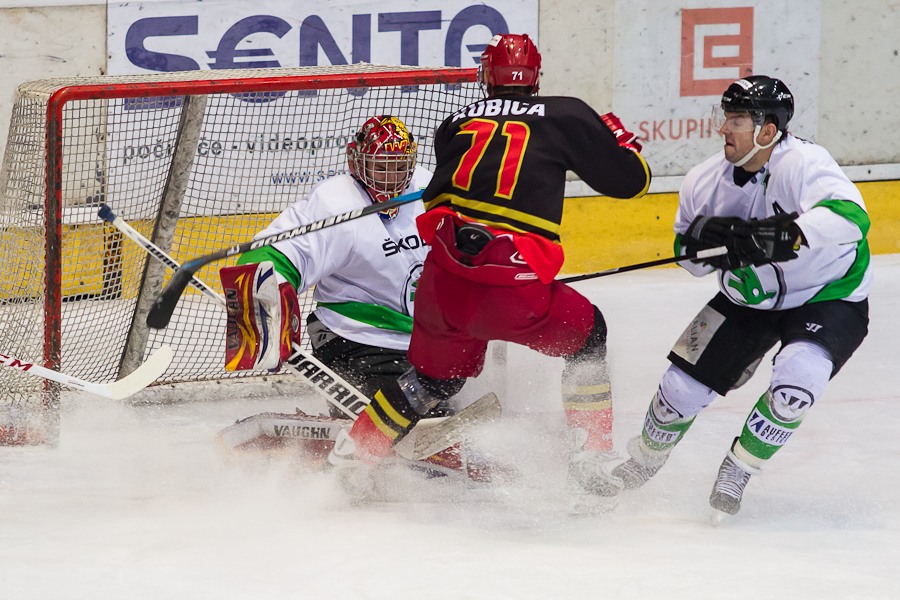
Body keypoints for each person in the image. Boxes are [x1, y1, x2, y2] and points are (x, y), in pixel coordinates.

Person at [329, 33, 652, 503]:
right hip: (513, 289)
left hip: (443, 285)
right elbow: (631, 183)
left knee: (434, 379)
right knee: (589, 335)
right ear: (535, 77)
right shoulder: (567, 113)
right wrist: (619, 138)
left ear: (486, 76)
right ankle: (589, 458)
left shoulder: (454, 123)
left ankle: (354, 457)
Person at [610, 75, 871, 518]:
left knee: (799, 378)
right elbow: (688, 258)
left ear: (768, 130)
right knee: (679, 389)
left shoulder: (805, 163)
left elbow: (852, 218)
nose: (723, 128)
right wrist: (704, 246)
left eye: (736, 120)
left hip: (828, 293)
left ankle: (741, 466)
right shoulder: (703, 180)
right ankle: (645, 459)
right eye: (725, 117)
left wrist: (785, 235)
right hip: (746, 298)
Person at [218, 114, 433, 414]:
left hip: (424, 340)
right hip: (356, 338)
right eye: (381, 167)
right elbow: (273, 252)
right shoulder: (336, 202)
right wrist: (268, 298)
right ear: (356, 161)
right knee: (397, 415)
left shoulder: (426, 187)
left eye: (399, 168)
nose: (391, 178)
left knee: (446, 404)